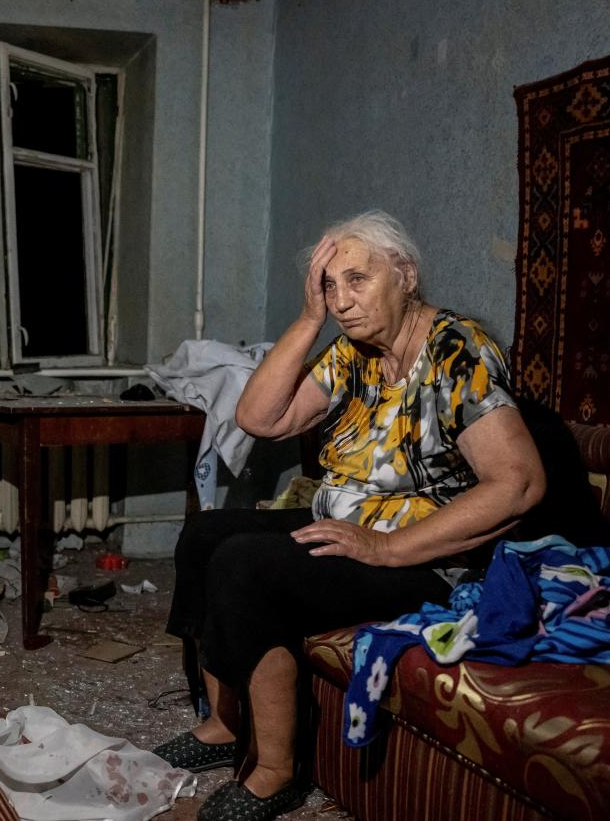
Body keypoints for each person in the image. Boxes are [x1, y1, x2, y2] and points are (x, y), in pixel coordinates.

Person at [153, 210, 546, 821]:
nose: (341, 300)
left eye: (357, 280)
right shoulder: (352, 352)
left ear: (405, 274)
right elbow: (259, 419)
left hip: (428, 556)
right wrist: (308, 318)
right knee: (207, 532)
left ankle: (276, 772)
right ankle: (225, 728)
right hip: (351, 526)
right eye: (329, 286)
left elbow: (518, 483)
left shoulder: (456, 351)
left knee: (246, 562)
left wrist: (389, 547)